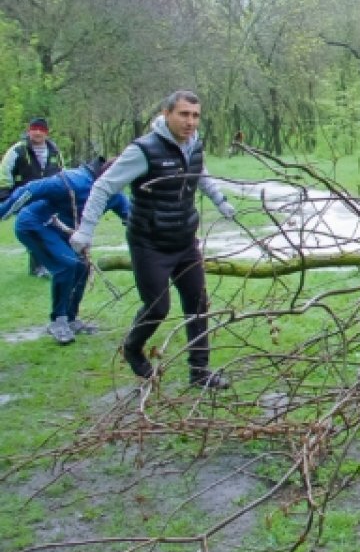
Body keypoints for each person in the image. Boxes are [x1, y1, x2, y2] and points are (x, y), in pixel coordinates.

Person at [69, 91, 237, 389]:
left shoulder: (194, 144)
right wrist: (85, 231)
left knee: (197, 303)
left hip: (185, 241)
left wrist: (220, 201)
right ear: (167, 113)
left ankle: (200, 371)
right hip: (150, 243)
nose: (190, 122)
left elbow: (200, 174)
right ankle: (133, 349)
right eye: (184, 114)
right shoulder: (144, 150)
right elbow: (103, 187)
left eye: (195, 115)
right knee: (157, 307)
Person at [0, 157, 130, 344]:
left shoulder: (114, 194)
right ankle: (58, 321)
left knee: (82, 266)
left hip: (63, 232)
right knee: (67, 264)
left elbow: (133, 218)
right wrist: (3, 210)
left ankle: (71, 318)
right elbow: (31, 189)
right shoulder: (74, 181)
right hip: (35, 224)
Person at [1, 117, 65, 277]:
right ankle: (39, 267)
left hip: (49, 198)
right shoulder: (18, 150)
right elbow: (5, 172)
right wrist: (4, 193)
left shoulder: (54, 151)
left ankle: (44, 265)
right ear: (29, 131)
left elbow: (63, 173)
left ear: (46, 133)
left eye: (41, 129)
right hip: (25, 198)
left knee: (48, 230)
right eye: (34, 129)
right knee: (34, 229)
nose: (37, 132)